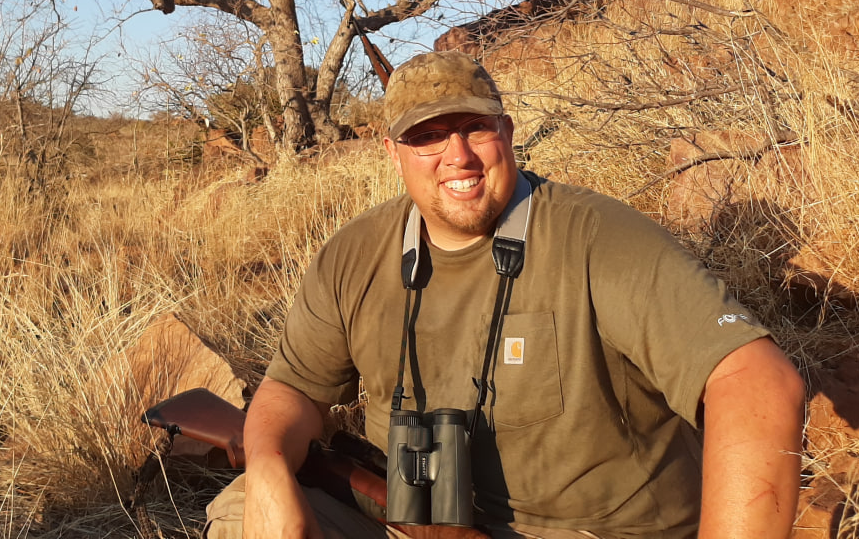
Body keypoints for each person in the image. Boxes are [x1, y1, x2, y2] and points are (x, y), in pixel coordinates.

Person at [205, 51, 805, 539]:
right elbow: (293, 388)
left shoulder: (597, 235)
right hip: (419, 522)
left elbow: (756, 381)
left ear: (507, 132)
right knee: (242, 512)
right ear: (391, 152)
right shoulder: (354, 253)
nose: (457, 157)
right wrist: (266, 469)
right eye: (428, 138)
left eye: (475, 129)